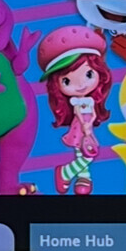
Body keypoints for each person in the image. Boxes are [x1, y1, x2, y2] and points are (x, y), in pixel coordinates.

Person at [37, 25, 113, 195]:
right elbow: (79, 113)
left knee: (84, 152)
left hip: (87, 126)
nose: (80, 86)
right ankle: (65, 173)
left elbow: (91, 113)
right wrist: (86, 127)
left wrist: (90, 122)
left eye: (88, 75)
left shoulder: (89, 100)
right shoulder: (76, 102)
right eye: (67, 81)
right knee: (86, 153)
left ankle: (83, 178)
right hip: (80, 128)